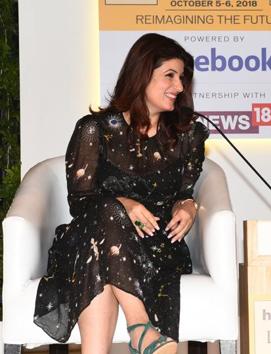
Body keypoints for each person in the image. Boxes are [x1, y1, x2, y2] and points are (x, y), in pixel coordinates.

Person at [33, 33, 209, 354]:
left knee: (99, 254)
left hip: (156, 244)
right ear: (142, 74)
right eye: (169, 75)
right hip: (93, 235)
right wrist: (124, 204)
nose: (180, 86)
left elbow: (186, 190)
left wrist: (189, 204)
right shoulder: (95, 129)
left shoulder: (188, 135)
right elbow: (80, 201)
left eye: (183, 77)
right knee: (107, 219)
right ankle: (140, 326)